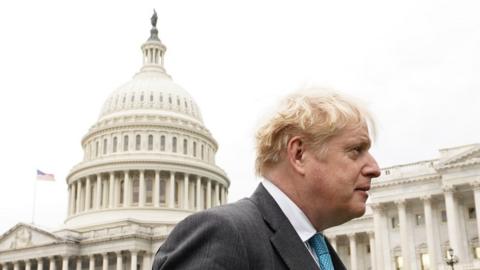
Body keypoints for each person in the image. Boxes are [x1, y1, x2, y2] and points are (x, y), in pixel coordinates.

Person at [152, 87, 381, 270]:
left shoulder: (319, 252)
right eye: (355, 150)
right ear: (299, 154)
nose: (374, 168)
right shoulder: (224, 234)